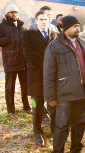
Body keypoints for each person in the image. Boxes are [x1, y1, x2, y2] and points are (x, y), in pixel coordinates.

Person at [43, 15, 85, 153]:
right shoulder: (54, 46)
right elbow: (48, 73)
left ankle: (76, 149)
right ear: (66, 28)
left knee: (79, 124)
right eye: (75, 26)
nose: (78, 28)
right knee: (62, 125)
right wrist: (50, 97)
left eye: (78, 25)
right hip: (64, 94)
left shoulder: (83, 43)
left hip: (82, 93)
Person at [22, 11, 58, 146]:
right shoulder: (28, 34)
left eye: (46, 19)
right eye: (41, 19)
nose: (44, 21)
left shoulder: (55, 35)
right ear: (36, 21)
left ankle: (55, 129)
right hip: (35, 77)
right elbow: (28, 54)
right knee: (36, 105)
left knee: (53, 104)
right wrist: (49, 60)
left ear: (49, 21)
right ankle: (37, 132)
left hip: (52, 78)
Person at [0, 4, 32, 119]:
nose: (14, 14)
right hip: (11, 61)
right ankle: (11, 110)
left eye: (16, 12)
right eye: (12, 12)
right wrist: (8, 38)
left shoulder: (22, 27)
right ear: (7, 14)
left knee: (26, 87)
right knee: (10, 88)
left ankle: (27, 107)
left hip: (23, 61)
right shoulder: (1, 26)